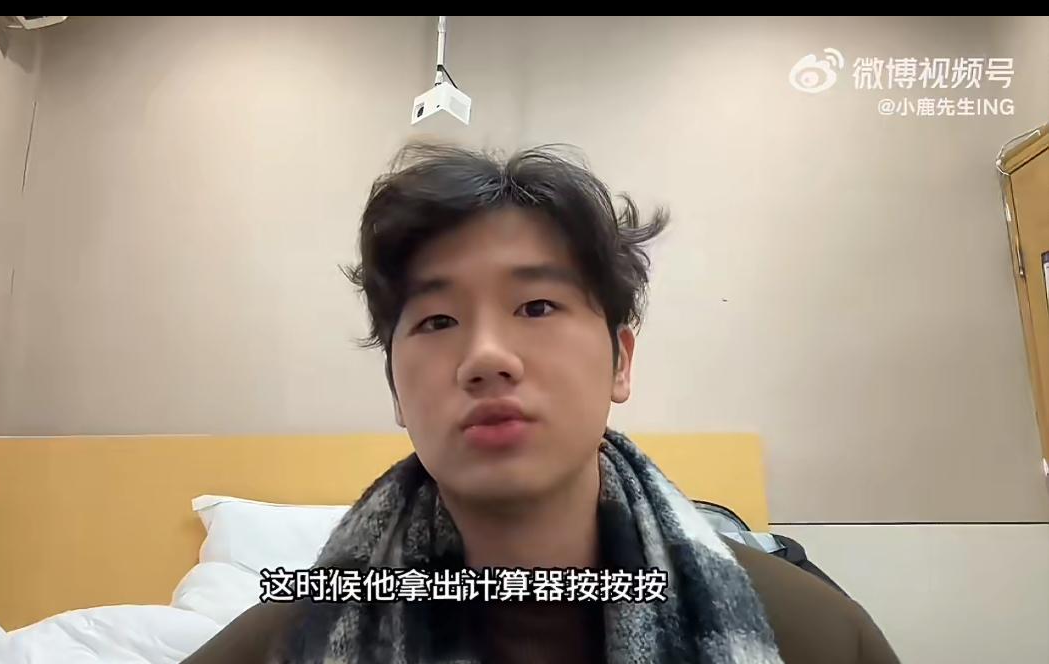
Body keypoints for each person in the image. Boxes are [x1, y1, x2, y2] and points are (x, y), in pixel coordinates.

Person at [182, 144, 900, 664]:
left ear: (621, 360)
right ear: (397, 390)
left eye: (537, 306)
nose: (486, 356)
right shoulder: (282, 644)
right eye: (437, 321)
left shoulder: (814, 638)